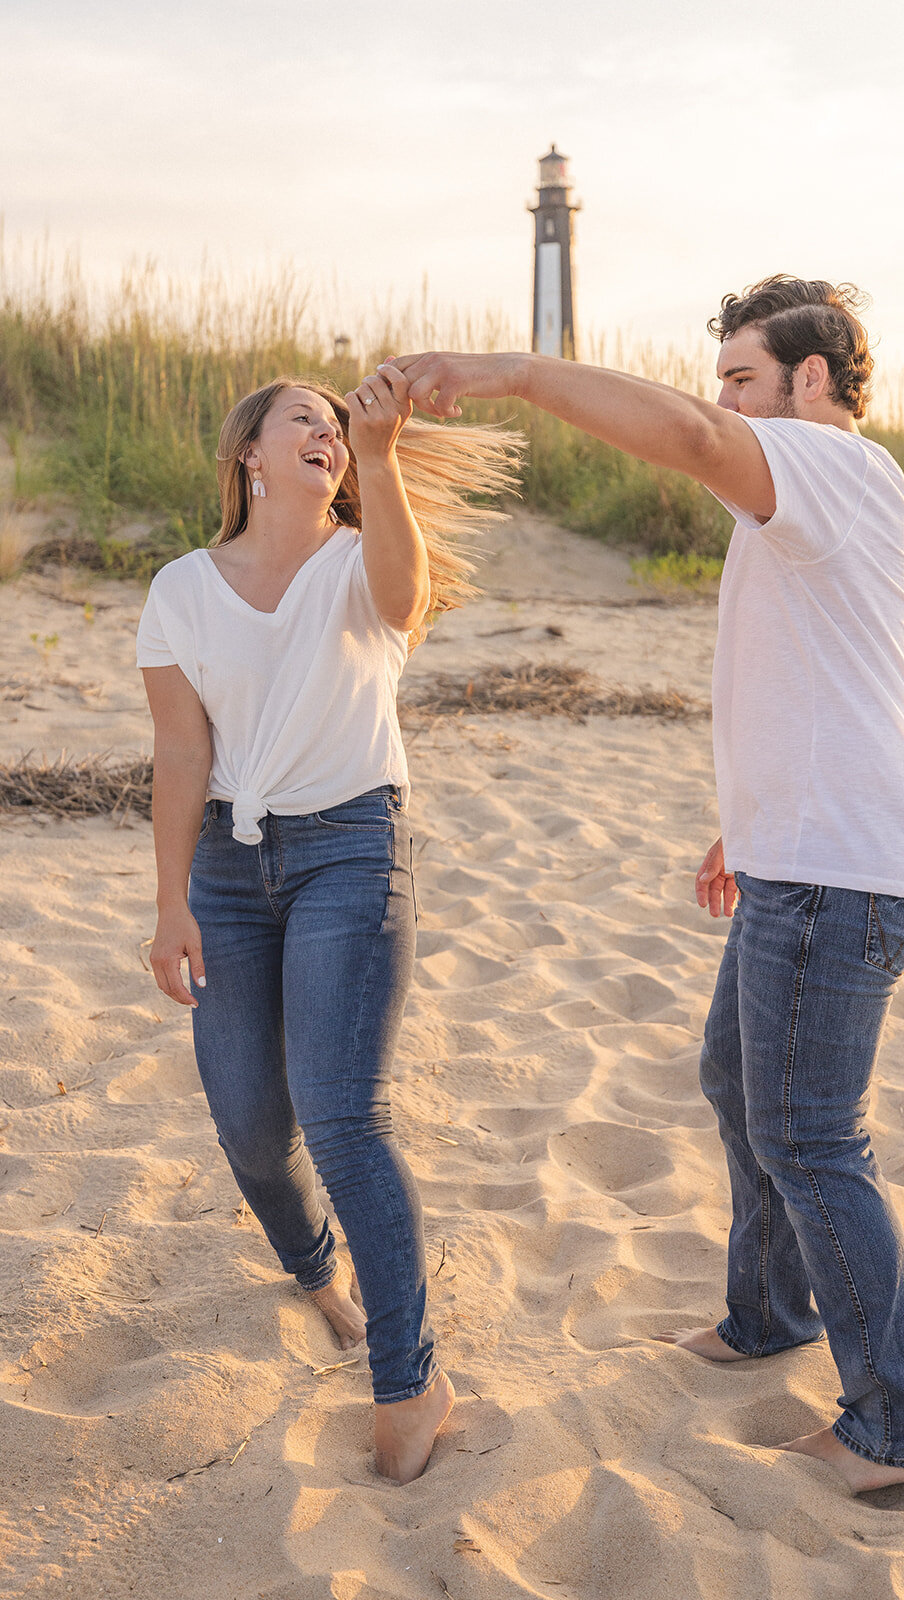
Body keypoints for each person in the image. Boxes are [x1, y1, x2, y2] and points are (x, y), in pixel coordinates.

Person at [393, 275, 904, 1495]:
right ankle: (765, 1316)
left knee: (810, 1136)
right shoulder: (819, 500)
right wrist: (746, 826)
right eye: (721, 382)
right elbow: (833, 680)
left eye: (743, 378)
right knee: (734, 1080)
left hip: (843, 868)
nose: (724, 405)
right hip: (801, 851)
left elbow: (695, 441)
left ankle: (893, 1424)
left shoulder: (828, 465)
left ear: (811, 381)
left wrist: (512, 373)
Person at [137, 368, 518, 1484]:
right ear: (247, 453)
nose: (325, 434)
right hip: (225, 867)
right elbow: (179, 753)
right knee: (253, 1125)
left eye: (333, 426)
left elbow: (405, 602)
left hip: (353, 847)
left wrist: (384, 451)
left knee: (344, 1118)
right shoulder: (180, 588)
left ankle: (408, 1375)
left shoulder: (363, 559)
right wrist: (169, 904)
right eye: (300, 418)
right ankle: (313, 1272)